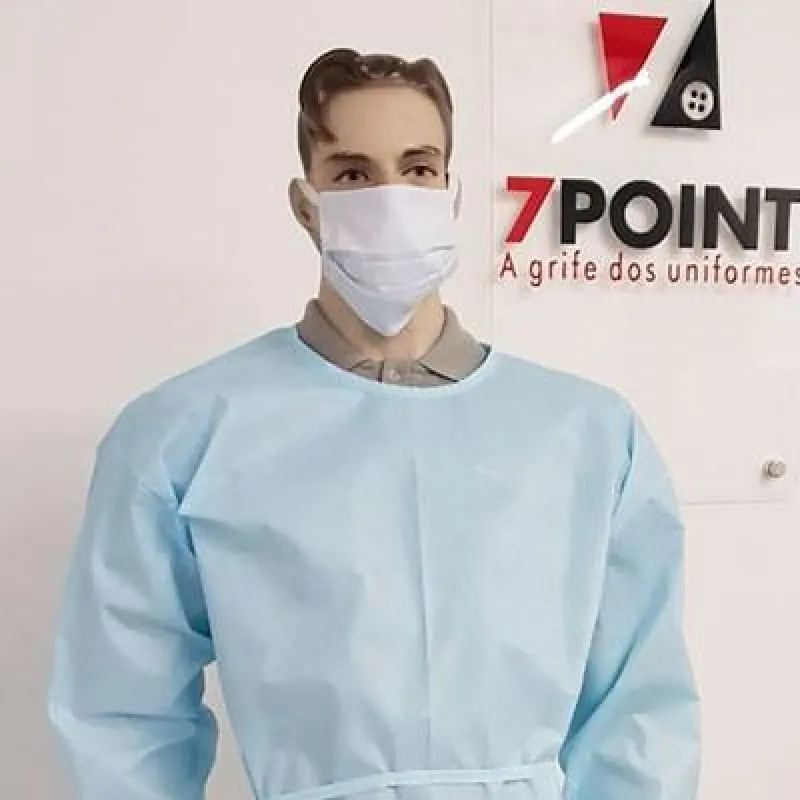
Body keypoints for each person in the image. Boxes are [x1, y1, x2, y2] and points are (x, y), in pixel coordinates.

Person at [47, 48, 701, 800]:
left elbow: (638, 711)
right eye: (353, 174)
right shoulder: (183, 437)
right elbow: (121, 717)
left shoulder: (590, 436)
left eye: (418, 168)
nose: (391, 197)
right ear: (306, 204)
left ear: (451, 193)